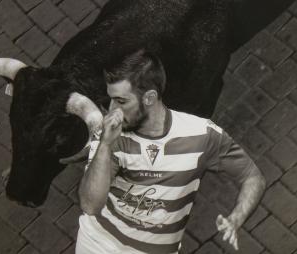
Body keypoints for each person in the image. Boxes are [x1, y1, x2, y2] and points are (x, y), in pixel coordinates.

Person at [76, 50, 266, 254]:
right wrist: (105, 145)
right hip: (97, 244)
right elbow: (90, 205)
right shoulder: (111, 133)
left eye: (121, 101)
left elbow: (253, 178)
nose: (112, 109)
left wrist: (236, 218)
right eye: (111, 99)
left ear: (149, 98)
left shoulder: (201, 135)